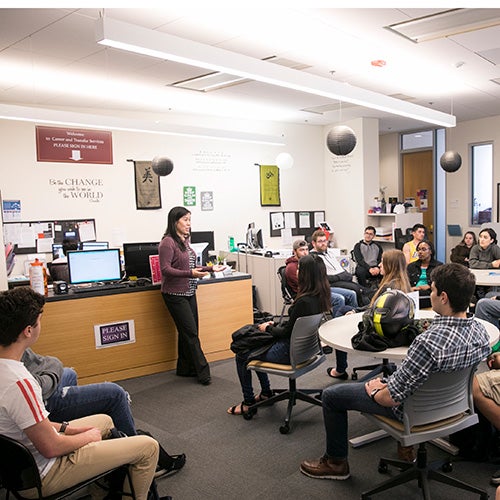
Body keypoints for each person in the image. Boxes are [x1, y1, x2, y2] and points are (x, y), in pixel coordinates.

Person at [300, 263, 490, 481]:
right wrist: (390, 383)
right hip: (455, 408)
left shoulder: (427, 343)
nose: (432, 293)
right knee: (396, 375)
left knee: (332, 396)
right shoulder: (480, 332)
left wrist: (374, 390)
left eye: (434, 290)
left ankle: (335, 463)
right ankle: (406, 449)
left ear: (444, 297)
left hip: (414, 412)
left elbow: (390, 398)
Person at [0, 286, 160, 500]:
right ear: (28, 331)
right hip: (43, 473)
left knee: (105, 419)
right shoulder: (21, 383)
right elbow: (51, 447)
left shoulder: (7, 372)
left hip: (18, 467)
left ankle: (100, 494)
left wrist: (67, 427)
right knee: (149, 447)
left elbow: (29, 423)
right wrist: (87, 437)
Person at [21, 347, 186, 478]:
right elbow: (38, 383)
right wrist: (52, 368)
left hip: (41, 391)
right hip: (43, 399)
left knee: (69, 373)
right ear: (27, 330)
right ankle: (134, 457)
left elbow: (43, 365)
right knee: (115, 394)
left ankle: (94, 456)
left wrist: (52, 368)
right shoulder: (15, 378)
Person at [227, 254, 331, 415]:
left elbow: (286, 333)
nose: (296, 272)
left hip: (288, 352)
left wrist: (267, 328)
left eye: (299, 269)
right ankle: (266, 393)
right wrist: (273, 325)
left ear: (305, 274)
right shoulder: (321, 296)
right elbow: (293, 326)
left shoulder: (303, 301)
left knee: (242, 353)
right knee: (253, 344)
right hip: (307, 350)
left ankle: (248, 403)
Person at [159, 206, 225, 386]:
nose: (189, 224)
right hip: (174, 294)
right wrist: (190, 274)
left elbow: (190, 267)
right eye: (185, 220)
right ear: (175, 222)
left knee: (187, 332)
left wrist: (211, 268)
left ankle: (184, 368)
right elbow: (165, 270)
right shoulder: (168, 242)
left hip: (189, 291)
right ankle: (203, 372)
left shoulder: (183, 241)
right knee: (191, 333)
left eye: (190, 219)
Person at [326, 249, 411, 381]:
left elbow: (374, 311)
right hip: (394, 328)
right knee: (346, 308)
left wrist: (356, 312)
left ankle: (340, 368)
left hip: (379, 330)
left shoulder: (389, 288)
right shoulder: (402, 283)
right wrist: (356, 310)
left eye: (382, 262)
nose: (379, 265)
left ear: (390, 265)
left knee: (342, 311)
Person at [285, 239, 357, 316]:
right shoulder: (292, 267)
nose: (305, 252)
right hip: (311, 293)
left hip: (320, 288)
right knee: (339, 299)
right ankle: (337, 324)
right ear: (295, 252)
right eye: (302, 250)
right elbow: (304, 285)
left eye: (306, 249)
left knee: (352, 294)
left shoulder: (311, 262)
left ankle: (352, 320)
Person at [310, 230, 371, 306]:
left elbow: (340, 268)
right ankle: (357, 311)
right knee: (356, 289)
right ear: (313, 243)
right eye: (320, 241)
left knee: (367, 290)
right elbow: (324, 278)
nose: (323, 244)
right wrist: (341, 276)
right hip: (330, 283)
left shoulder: (329, 253)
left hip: (340, 279)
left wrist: (344, 275)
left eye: (324, 241)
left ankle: (365, 308)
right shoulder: (314, 258)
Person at [407, 240, 443, 308]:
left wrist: (422, 287)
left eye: (423, 249)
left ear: (430, 251)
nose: (420, 252)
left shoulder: (438, 266)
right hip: (413, 295)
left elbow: (440, 284)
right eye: (418, 250)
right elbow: (405, 282)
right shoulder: (411, 266)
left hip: (429, 295)